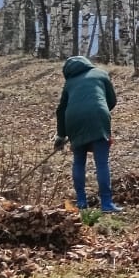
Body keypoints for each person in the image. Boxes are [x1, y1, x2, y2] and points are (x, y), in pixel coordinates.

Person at [52, 55, 121, 212]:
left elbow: (61, 110)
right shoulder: (101, 74)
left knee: (78, 161)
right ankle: (106, 204)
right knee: (101, 163)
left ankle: (82, 203)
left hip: (73, 120)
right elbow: (112, 100)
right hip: (98, 116)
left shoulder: (69, 83)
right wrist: (100, 110)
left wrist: (61, 136)